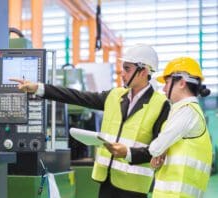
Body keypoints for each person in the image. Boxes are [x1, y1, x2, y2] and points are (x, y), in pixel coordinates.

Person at [10, 44, 170, 198]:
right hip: (107, 181)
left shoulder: (160, 105)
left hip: (134, 187)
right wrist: (39, 88)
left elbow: (158, 150)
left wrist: (127, 153)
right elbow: (78, 96)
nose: (122, 73)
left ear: (143, 71)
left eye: (127, 69)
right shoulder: (115, 95)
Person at [147, 57, 212, 197]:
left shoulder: (187, 111)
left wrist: (160, 149)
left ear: (182, 83)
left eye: (167, 82)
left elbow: (155, 148)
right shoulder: (181, 110)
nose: (164, 88)